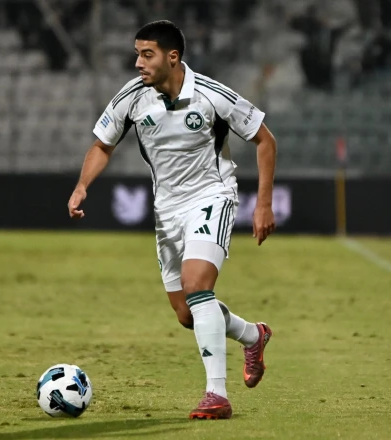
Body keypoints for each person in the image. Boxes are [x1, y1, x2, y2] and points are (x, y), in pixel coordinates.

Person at [68, 20, 277, 420]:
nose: (138, 63)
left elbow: (265, 140)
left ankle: (216, 394)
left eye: (147, 54)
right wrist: (81, 186)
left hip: (211, 197)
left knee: (198, 285)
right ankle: (253, 335)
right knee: (186, 313)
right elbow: (102, 145)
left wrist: (263, 204)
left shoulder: (212, 95)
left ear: (172, 57)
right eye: (137, 54)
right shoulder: (133, 97)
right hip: (167, 211)